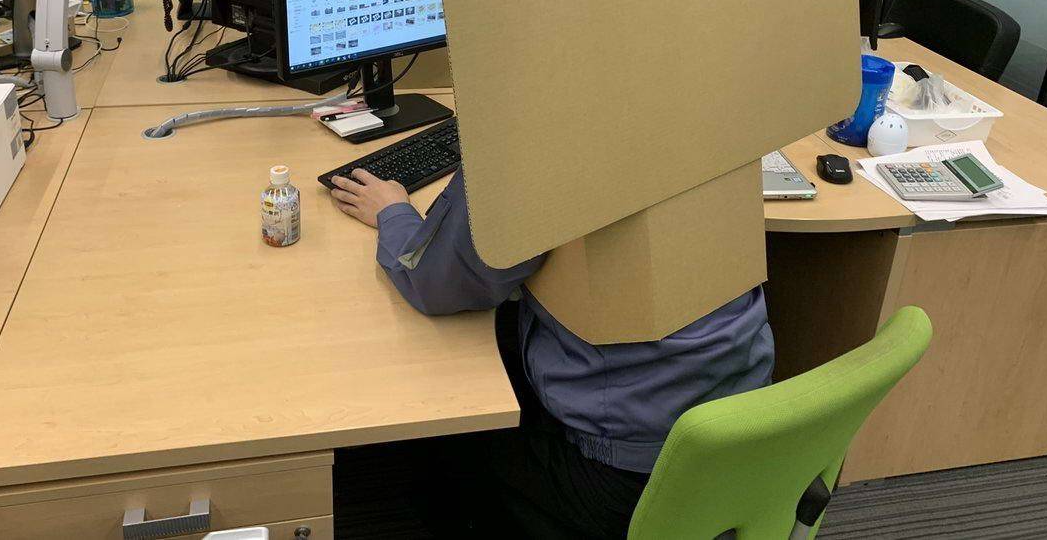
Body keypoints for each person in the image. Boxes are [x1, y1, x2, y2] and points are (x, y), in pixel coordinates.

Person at [331, 166, 774, 539]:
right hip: (753, 423)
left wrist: (393, 211)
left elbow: (437, 282)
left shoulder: (542, 139)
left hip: (623, 473)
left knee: (435, 430)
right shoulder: (707, 109)